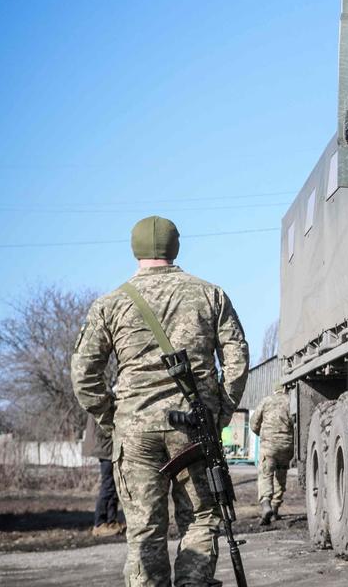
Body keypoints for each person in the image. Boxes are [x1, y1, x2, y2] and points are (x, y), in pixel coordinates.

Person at [72, 216, 250, 587]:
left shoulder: (110, 304)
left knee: (145, 531)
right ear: (175, 247)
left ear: (135, 250)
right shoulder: (209, 294)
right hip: (194, 430)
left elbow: (84, 376)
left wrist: (114, 419)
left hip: (136, 436)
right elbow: (236, 359)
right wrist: (221, 411)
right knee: (201, 520)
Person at [249, 384, 293, 526]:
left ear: (275, 390)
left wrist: (262, 435)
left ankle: (266, 504)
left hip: (269, 446)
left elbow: (254, 423)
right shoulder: (291, 401)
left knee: (266, 474)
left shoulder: (266, 401)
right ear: (286, 389)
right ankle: (275, 509)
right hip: (286, 445)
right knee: (280, 476)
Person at [83, 416, 125, 537]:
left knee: (114, 486)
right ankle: (99, 524)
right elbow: (103, 426)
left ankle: (111, 522)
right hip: (106, 448)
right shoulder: (101, 402)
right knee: (108, 486)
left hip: (109, 447)